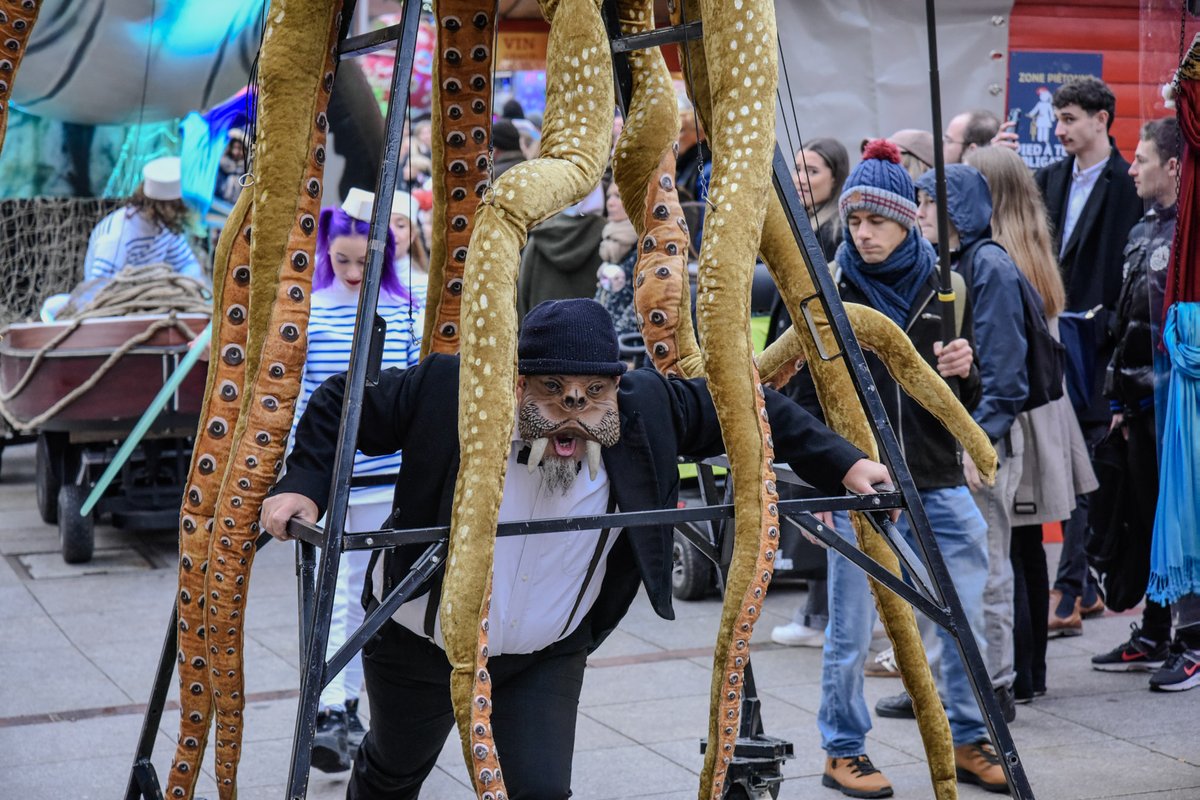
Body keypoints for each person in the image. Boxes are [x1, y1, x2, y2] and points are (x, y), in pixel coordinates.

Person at [262, 298, 891, 799]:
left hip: (545, 650)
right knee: (394, 772)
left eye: (594, 391)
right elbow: (342, 401)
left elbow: (750, 407)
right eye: (552, 389)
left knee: (541, 789)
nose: (573, 411)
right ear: (515, 383)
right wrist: (304, 484)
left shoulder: (646, 407)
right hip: (420, 641)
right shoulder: (451, 389)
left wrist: (846, 463)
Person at [814, 140, 1005, 796]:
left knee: (964, 617)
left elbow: (964, 401)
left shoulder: (945, 286)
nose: (862, 233)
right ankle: (843, 749)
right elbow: (797, 396)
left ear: (906, 221)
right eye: (855, 220)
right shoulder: (826, 287)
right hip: (859, 482)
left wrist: (965, 372)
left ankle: (970, 738)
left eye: (877, 221)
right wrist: (834, 473)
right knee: (851, 629)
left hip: (937, 478)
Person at [964, 145, 1098, 703]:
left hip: (1021, 413)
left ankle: (1016, 674)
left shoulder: (997, 258)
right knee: (1025, 546)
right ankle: (1031, 672)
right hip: (1044, 410)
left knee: (1011, 548)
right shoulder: (1030, 244)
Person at [298, 189, 422, 773]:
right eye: (341, 259)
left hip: (388, 477)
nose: (352, 272)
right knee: (339, 593)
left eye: (363, 261)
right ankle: (333, 707)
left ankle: (344, 708)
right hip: (332, 481)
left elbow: (413, 393)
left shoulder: (405, 309)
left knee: (376, 596)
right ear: (327, 252)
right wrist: (298, 475)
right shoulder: (309, 311)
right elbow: (299, 400)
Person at [914, 163, 1029, 719]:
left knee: (985, 566)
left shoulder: (988, 265)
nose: (920, 213)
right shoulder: (944, 264)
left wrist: (974, 442)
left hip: (982, 439)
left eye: (930, 202)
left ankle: (994, 686)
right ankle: (948, 687)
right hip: (947, 440)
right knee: (942, 570)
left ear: (957, 209)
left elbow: (1005, 374)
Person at [1033, 76, 1142, 636]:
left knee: (1087, 467)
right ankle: (1085, 588)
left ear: (1102, 119)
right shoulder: (1049, 178)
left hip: (1101, 346)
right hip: (1055, 340)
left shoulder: (1129, 184)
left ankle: (1070, 588)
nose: (1060, 129)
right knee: (1068, 462)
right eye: (1058, 118)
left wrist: (1114, 334)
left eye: (1070, 118)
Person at [1089, 118, 1184, 679]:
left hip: (1178, 406)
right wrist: (1119, 402)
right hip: (1141, 406)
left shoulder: (1191, 233)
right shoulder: (1143, 229)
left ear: (1172, 166)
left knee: (1180, 522)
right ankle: (1153, 631)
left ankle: (1188, 638)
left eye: (1141, 159)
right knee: (1146, 519)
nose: (1131, 169)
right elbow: (1127, 322)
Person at [766, 136, 850, 649]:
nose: (800, 178)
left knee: (821, 494)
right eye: (797, 168)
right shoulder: (803, 226)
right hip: (797, 376)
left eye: (812, 170)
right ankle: (819, 611)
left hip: (816, 380)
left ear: (835, 178)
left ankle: (823, 615)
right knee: (808, 494)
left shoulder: (833, 235)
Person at [82, 156, 204, 283]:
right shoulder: (118, 237)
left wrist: (187, 283)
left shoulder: (165, 226)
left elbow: (186, 264)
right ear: (167, 207)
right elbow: (97, 288)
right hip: (119, 293)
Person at [593, 180, 639, 337]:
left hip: (626, 343)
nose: (610, 203)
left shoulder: (646, 243)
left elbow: (641, 303)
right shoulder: (611, 239)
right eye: (609, 196)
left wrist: (614, 338)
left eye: (618, 196)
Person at [389, 189, 430, 319]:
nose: (391, 233)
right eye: (385, 224)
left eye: (400, 225)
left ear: (412, 234)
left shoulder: (425, 285)